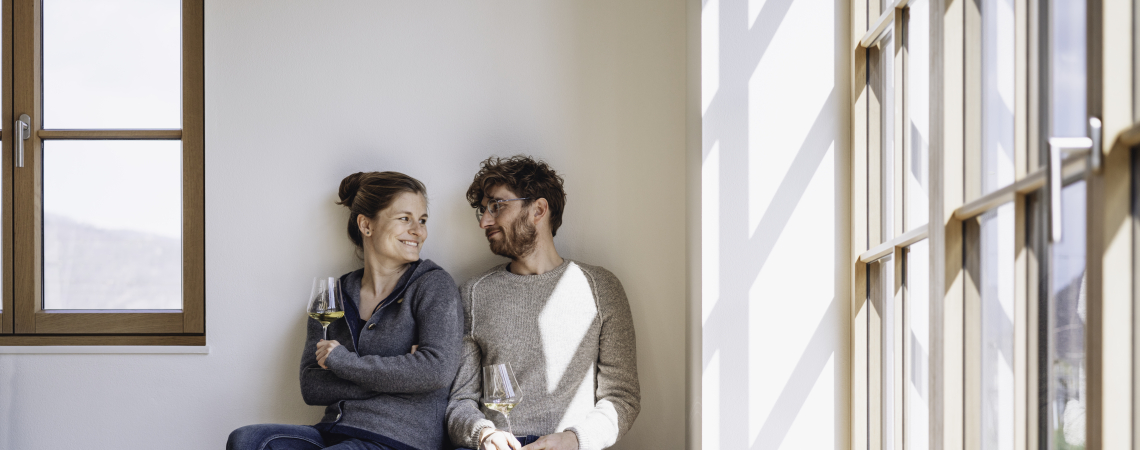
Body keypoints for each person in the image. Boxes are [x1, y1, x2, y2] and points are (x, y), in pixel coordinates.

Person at [228, 171, 464, 450]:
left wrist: (342, 362)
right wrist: (401, 375)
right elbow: (312, 386)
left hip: (397, 438)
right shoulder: (334, 294)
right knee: (247, 440)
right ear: (366, 225)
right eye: (405, 218)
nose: (418, 231)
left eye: (422, 220)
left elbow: (435, 372)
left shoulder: (434, 285)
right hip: (333, 430)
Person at [446, 156, 641, 450]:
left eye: (496, 206)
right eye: (483, 211)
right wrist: (484, 434)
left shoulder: (600, 288)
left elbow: (622, 398)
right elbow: (460, 401)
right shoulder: (474, 293)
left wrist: (575, 440)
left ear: (538, 209)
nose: (485, 221)